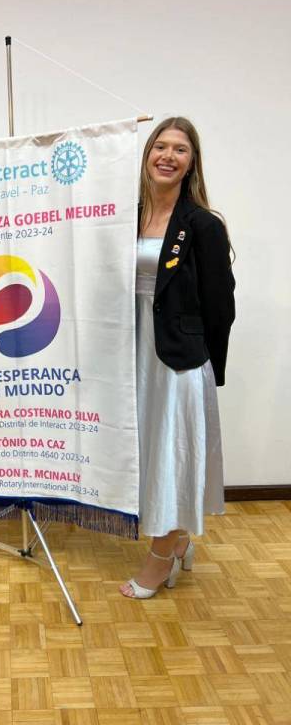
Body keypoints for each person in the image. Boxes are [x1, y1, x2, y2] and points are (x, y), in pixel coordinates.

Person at [120, 117, 235, 599]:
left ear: (192, 163)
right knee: (148, 452)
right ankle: (180, 538)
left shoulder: (203, 225)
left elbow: (220, 305)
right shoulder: (124, 218)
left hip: (177, 360)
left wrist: (205, 366)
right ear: (147, 155)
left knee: (171, 454)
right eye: (160, 146)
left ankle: (161, 556)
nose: (168, 156)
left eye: (180, 149)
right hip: (133, 354)